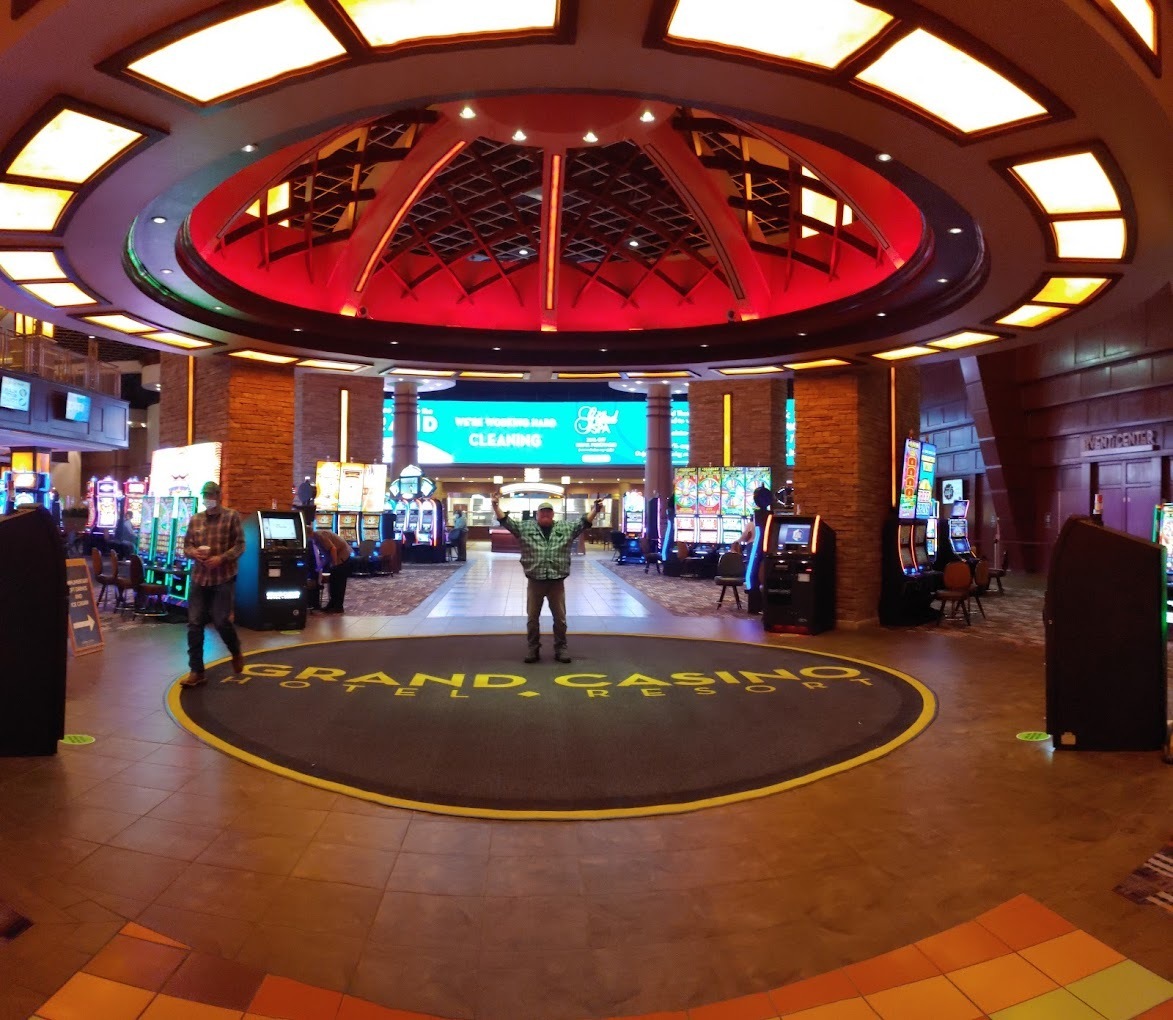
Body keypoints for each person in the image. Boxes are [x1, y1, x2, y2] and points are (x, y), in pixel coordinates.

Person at [492, 496, 604, 664]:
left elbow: (583, 523)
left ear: (553, 514)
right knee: (532, 618)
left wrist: (595, 509)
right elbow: (506, 521)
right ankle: (533, 648)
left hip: (556, 582)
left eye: (548, 512)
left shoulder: (565, 528)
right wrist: (495, 506)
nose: (545, 515)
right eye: (542, 512)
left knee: (560, 619)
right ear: (537, 514)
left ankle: (561, 648)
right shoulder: (525, 527)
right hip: (535, 581)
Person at [180, 481, 245, 688]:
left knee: (221, 621)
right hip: (199, 577)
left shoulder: (232, 516)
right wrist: (194, 553)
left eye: (211, 495)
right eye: (205, 495)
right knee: (194, 623)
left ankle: (235, 650)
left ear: (219, 495)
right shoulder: (196, 519)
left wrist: (222, 558)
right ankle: (197, 671)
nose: (208, 499)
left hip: (223, 576)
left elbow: (240, 545)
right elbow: (186, 546)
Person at [311, 525, 353, 613]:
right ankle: (332, 604)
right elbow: (326, 555)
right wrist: (320, 567)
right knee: (333, 582)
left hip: (343, 556)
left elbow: (333, 549)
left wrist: (334, 564)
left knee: (339, 583)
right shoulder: (316, 538)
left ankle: (338, 606)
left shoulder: (320, 536)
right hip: (338, 557)